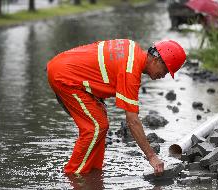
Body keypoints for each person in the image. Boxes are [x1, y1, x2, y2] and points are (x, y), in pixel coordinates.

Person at [47, 39, 186, 176]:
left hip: (65, 68)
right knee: (95, 127)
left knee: (100, 122)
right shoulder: (130, 70)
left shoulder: (133, 49)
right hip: (65, 76)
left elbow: (102, 67)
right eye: (166, 71)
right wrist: (152, 156)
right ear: (156, 60)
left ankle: (94, 172)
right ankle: (73, 177)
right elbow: (132, 121)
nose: (163, 76)